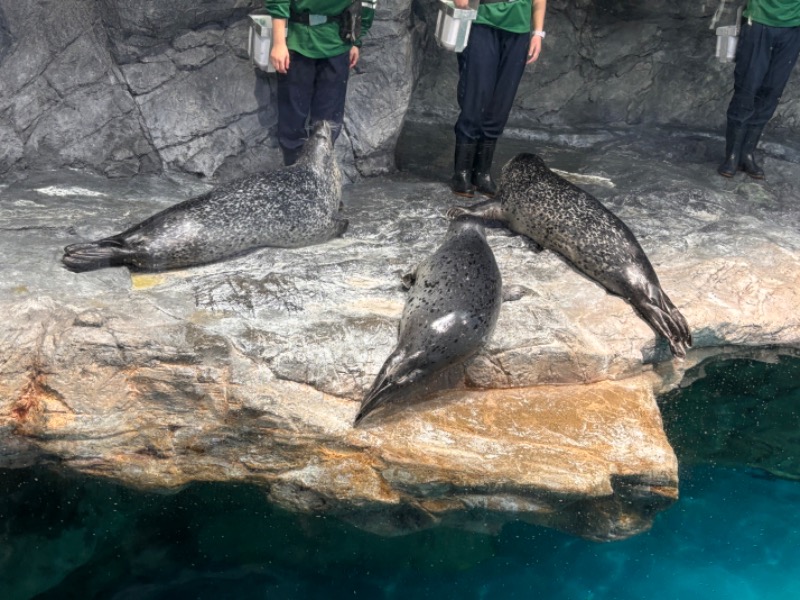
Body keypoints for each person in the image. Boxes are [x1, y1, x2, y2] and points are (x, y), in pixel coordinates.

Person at [450, 0, 546, 197]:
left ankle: (482, 173)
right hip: (482, 22)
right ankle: (462, 172)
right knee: (475, 98)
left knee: (501, 103)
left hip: (518, 31)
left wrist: (537, 33)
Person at [266, 0, 376, 166]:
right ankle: (293, 174)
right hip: (298, 40)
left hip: (338, 41)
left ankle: (320, 176)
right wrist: (279, 42)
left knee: (327, 124)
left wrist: (356, 41)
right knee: (292, 121)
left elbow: (368, 3)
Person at [718, 0, 800, 179]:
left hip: (793, 26)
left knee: (772, 91)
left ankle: (747, 153)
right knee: (747, 88)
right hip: (758, 22)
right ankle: (732, 156)